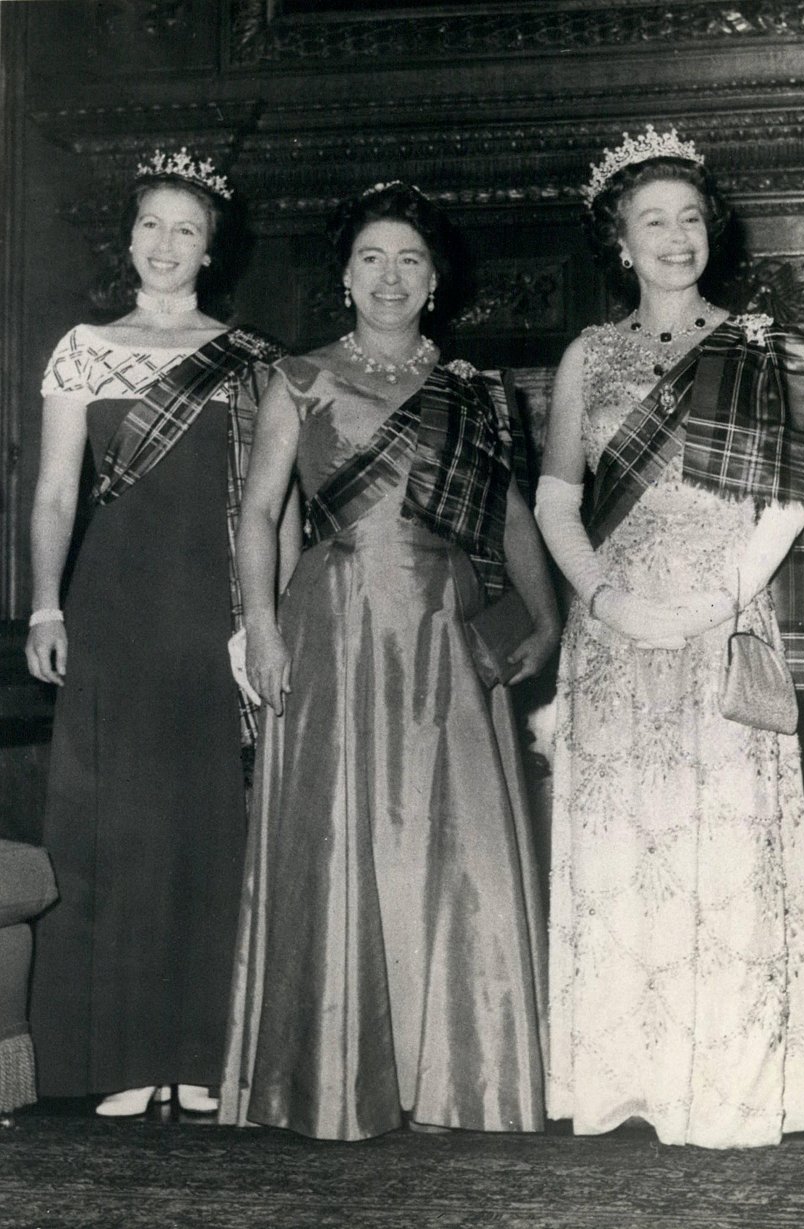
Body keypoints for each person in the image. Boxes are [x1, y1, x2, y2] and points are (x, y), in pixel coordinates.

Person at [219, 181, 558, 1142]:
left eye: (410, 258)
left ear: (436, 279)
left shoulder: (478, 393)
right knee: (341, 830)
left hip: (447, 627)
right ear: (345, 273)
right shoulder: (297, 377)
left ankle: (465, 1069)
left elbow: (512, 516)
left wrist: (545, 618)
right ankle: (334, 1073)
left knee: (458, 838)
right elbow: (258, 512)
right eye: (372, 256)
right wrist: (261, 624)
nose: (391, 275)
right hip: (334, 616)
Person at [536, 126, 804, 1149]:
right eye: (651, 221)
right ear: (619, 240)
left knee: (723, 860)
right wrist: (608, 599)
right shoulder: (589, 354)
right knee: (625, 857)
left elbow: (791, 503)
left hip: (723, 622)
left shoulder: (771, 349)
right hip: (616, 634)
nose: (675, 237)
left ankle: (731, 1089)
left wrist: (715, 596)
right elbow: (555, 500)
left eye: (691, 219)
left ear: (714, 233)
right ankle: (631, 1080)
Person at [25, 148, 289, 1116]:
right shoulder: (83, 347)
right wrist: (46, 604)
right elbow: (55, 491)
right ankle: (121, 1054)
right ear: (128, 238)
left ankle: (205, 1053)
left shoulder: (254, 358)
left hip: (211, 612)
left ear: (211, 249)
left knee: (207, 828)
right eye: (152, 225)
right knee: (116, 827)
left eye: (187, 229)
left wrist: (266, 623)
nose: (166, 244)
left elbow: (277, 505)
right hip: (112, 606)